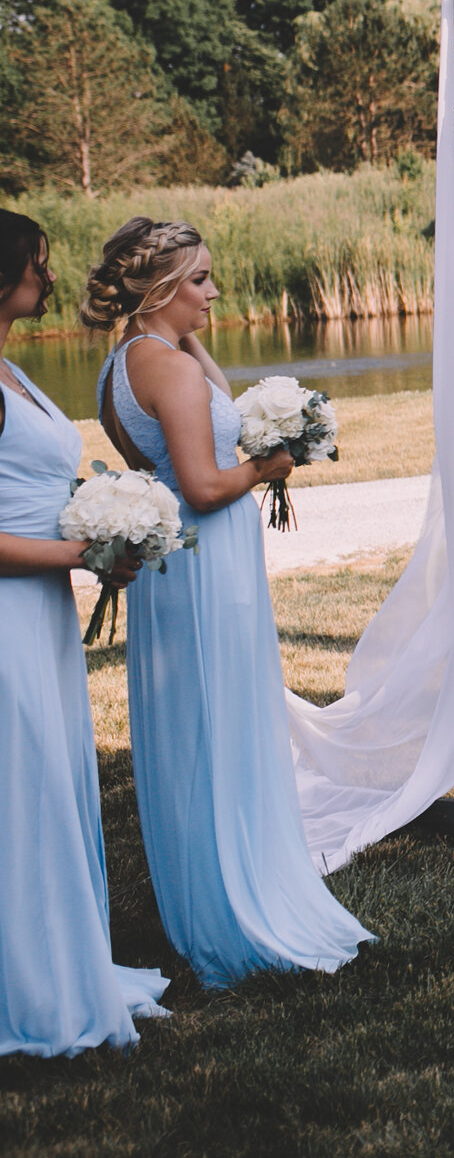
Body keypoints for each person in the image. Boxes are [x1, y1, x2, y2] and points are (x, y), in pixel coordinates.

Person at [86, 218, 371, 988]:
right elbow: (206, 485)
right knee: (222, 724)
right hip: (206, 564)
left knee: (199, 730)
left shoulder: (127, 363)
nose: (214, 293)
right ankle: (234, 903)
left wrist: (189, 338)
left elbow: (209, 406)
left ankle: (206, 885)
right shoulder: (168, 373)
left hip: (178, 571)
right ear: (164, 288)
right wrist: (269, 464)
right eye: (201, 280)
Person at [0, 212, 169, 1055]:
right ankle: (26, 980)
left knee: (47, 780)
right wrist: (83, 548)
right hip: (8, 615)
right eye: (38, 262)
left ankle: (60, 953)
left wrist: (105, 531)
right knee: (16, 785)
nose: (51, 277)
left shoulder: (12, 368)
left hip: (40, 611)